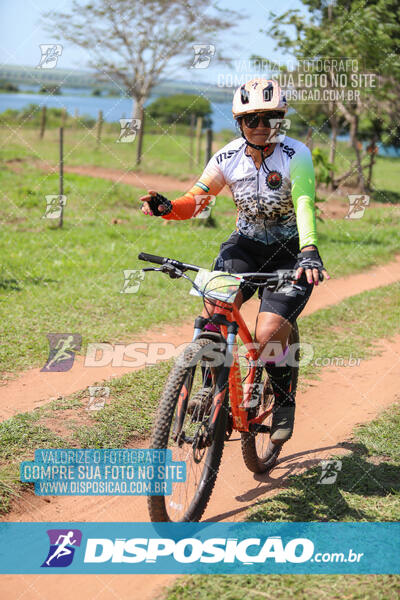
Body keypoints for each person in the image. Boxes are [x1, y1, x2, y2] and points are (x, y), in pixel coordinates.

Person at [141, 78, 329, 460]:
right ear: (239, 123)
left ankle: (284, 397)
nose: (261, 125)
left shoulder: (297, 154)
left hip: (290, 252)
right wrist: (168, 207)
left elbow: (304, 201)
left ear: (281, 120)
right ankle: (212, 389)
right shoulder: (227, 158)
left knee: (267, 332)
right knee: (214, 310)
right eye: (251, 119)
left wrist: (309, 248)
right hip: (243, 247)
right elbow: (197, 199)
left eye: (271, 117)